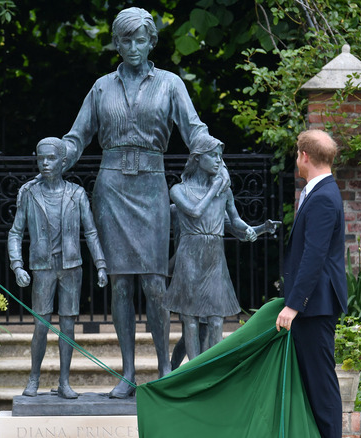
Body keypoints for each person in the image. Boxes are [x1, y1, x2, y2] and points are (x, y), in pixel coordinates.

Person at [60, 6, 219, 398]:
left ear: (152, 42)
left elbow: (194, 129)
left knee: (154, 282)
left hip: (150, 187)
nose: (133, 47)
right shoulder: (101, 87)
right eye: (126, 40)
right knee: (120, 284)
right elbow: (77, 137)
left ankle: (165, 368)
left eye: (141, 39)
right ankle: (128, 372)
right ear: (116, 43)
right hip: (111, 188)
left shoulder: (169, 84)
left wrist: (215, 155)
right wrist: (54, 158)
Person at [8, 137, 108, 399]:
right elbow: (15, 233)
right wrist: (17, 265)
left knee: (68, 327)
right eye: (40, 158)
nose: (45, 163)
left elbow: (92, 232)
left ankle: (64, 382)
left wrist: (100, 264)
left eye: (50, 158)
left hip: (72, 267)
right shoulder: (29, 194)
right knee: (41, 326)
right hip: (42, 268)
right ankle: (34, 378)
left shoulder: (76, 194)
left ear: (63, 162)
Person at [275, 129, 348, 438]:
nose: (296, 159)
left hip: (315, 306)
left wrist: (293, 305)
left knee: (321, 387)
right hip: (313, 304)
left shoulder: (323, 198)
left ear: (304, 156)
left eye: (296, 154)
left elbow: (313, 257)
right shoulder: (318, 192)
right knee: (312, 384)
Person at [164, 135, 257, 361]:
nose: (218, 161)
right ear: (197, 158)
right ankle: (194, 370)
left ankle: (213, 368)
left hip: (214, 256)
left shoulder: (224, 192)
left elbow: (235, 222)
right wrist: (215, 187)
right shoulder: (179, 190)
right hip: (189, 255)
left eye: (220, 156)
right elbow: (195, 212)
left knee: (216, 319)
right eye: (213, 155)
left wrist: (259, 229)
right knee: (191, 319)